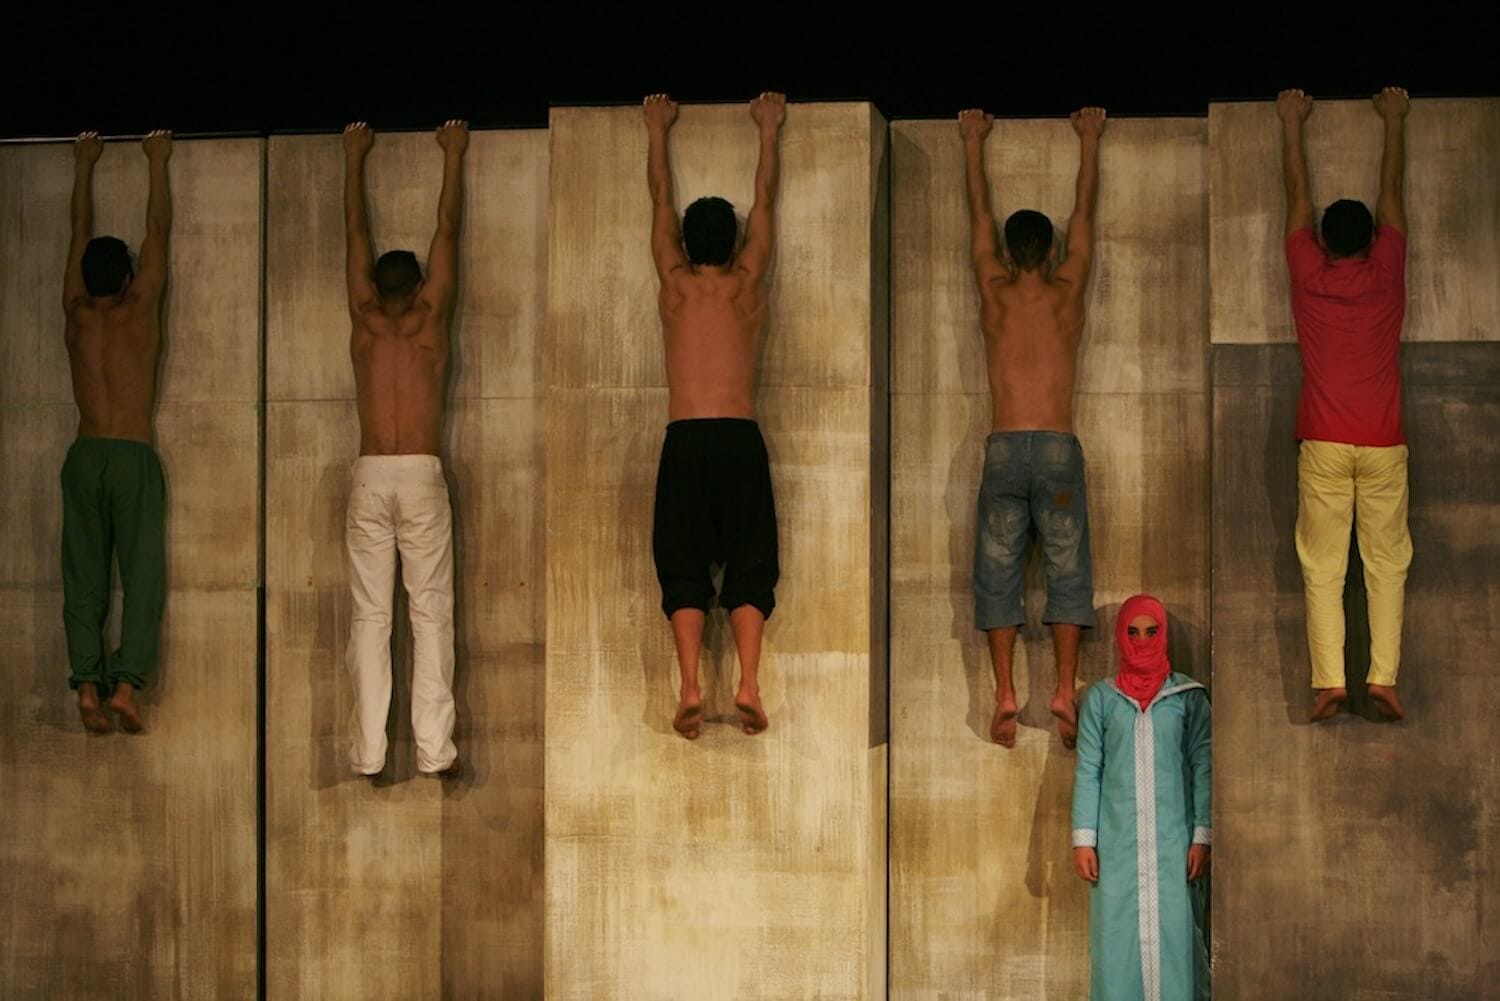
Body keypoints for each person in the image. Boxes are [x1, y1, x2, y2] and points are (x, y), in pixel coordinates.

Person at [958, 105, 1106, 748]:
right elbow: (1086, 220)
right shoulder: (1067, 290)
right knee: (1068, 571)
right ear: (1048, 250)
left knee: (998, 575)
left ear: (1008, 253)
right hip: (1057, 452)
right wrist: (1090, 139)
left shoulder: (992, 290)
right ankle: (1064, 691)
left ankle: (1005, 693)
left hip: (1003, 450)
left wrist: (972, 141)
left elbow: (978, 219)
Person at [643, 91, 785, 740]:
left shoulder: (673, 283)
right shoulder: (747, 283)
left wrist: (656, 128)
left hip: (685, 437)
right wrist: (767, 127)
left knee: (683, 566)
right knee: (751, 563)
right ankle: (749, 682)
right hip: (737, 435)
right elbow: (766, 204)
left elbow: (658, 204)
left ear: (684, 243)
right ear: (731, 245)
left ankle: (692, 684)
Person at [1277, 87, 1413, 722]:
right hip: (1384, 443)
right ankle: (1382, 678)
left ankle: (1329, 680)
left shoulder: (1308, 275)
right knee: (1387, 564)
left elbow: (1295, 196)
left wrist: (1290, 121)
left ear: (1324, 241)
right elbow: (1394, 190)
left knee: (1323, 566)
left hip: (1325, 444)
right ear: (1373, 240)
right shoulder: (1388, 273)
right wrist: (1393, 120)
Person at [341, 119, 468, 777]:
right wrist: (452, 153)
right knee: (430, 613)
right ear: (418, 286)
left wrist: (353, 158)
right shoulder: (428, 320)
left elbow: (353, 237)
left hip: (369, 472)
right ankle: (433, 748)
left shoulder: (364, 320)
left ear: (375, 288)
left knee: (370, 618)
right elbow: (446, 232)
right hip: (418, 471)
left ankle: (368, 752)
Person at [60, 128, 173, 735]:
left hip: (84, 453)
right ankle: (127, 686)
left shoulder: (75, 313)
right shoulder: (139, 309)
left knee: (82, 576)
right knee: (141, 576)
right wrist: (156, 163)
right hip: (131, 454)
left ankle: (85, 685)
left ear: (85, 278)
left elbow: (75, 237)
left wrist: (83, 165)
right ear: (128, 279)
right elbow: (159, 235)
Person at [1072, 595, 1212, 1001]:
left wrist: (1202, 836)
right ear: (1121, 636)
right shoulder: (1102, 699)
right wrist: (1084, 840)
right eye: (1133, 631)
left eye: (1152, 631)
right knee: (1116, 944)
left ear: (1163, 634)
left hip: (1174, 847)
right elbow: (1087, 769)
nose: (1142, 640)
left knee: (1176, 940)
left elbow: (1204, 766)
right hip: (1118, 850)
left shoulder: (1188, 697)